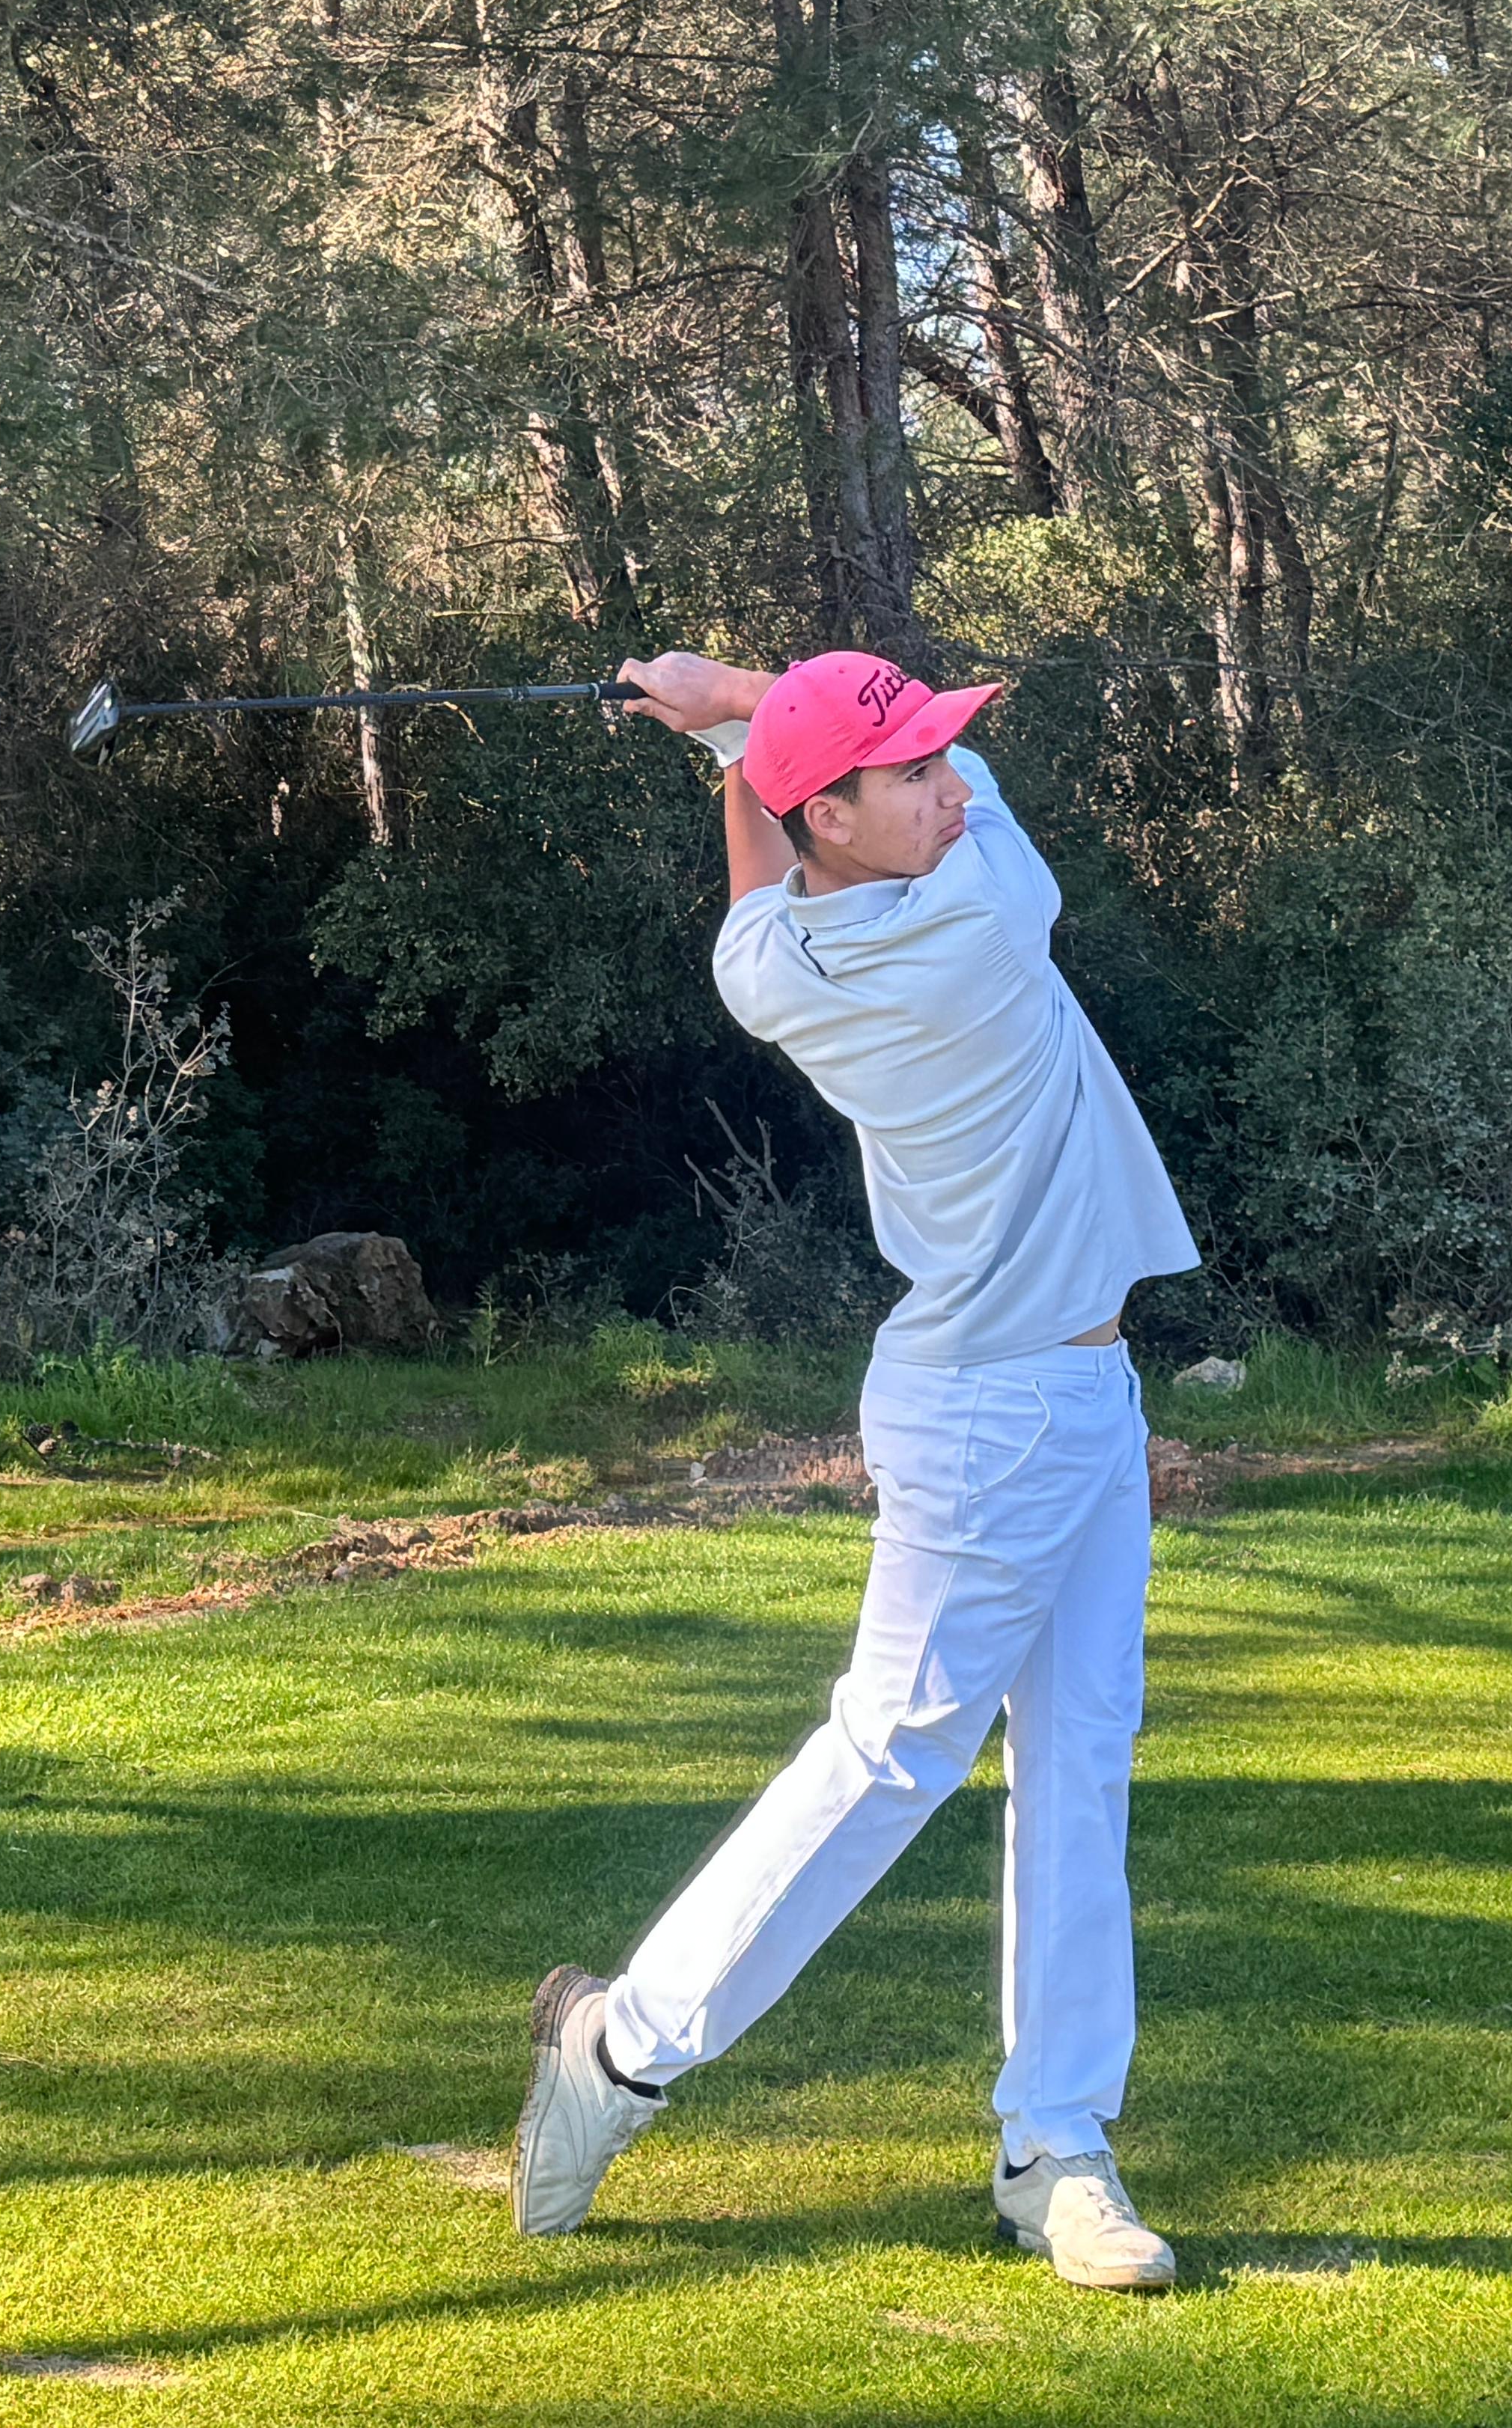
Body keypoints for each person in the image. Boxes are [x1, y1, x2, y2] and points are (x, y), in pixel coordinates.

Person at [507, 647, 1202, 2290]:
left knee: (1081, 1765)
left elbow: (759, 878)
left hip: (1066, 1391)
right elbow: (793, 794)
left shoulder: (774, 967)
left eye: (945, 763)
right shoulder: (984, 917)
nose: (952, 787)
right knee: (893, 1755)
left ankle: (1056, 2142)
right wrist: (725, 696)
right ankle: (623, 2043)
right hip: (998, 1410)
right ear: (833, 813)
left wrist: (729, 745)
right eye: (915, 773)